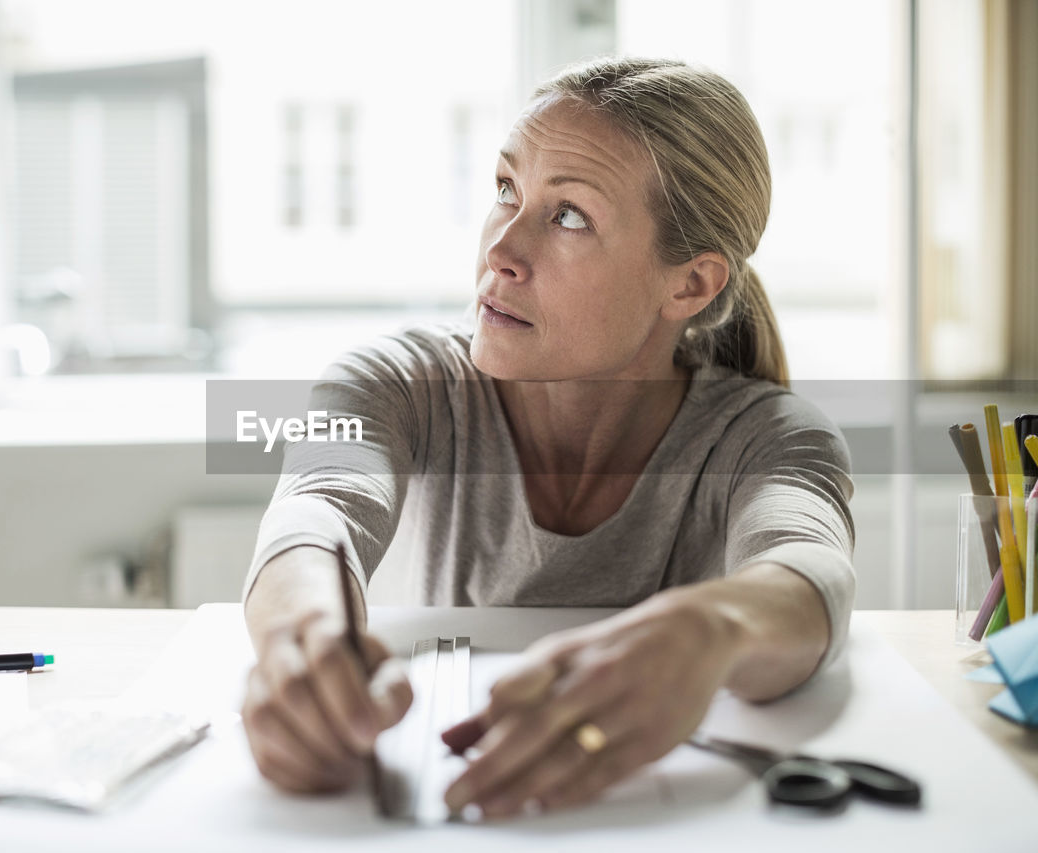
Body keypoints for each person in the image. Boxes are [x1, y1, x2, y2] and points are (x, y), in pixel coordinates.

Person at [239, 56, 855, 819]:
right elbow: (314, 512)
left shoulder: (769, 437)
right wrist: (304, 635)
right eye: (507, 190)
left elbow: (809, 571)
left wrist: (711, 629)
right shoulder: (393, 381)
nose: (501, 249)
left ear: (690, 284)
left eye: (569, 215)